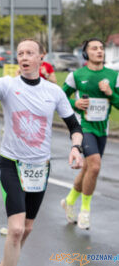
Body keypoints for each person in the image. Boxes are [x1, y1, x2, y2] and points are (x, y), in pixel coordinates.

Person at [0, 38, 84, 266]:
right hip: (12, 164)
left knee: (27, 227)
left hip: (40, 168)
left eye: (30, 53)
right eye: (20, 53)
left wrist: (76, 148)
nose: (24, 57)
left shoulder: (54, 92)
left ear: (42, 57)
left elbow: (75, 126)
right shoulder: (8, 85)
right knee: (17, 228)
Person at [61, 38, 119, 230]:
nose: (99, 51)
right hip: (83, 127)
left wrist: (110, 93)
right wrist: (74, 104)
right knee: (94, 167)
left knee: (88, 169)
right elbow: (60, 98)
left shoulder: (113, 75)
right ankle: (85, 211)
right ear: (86, 53)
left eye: (101, 48)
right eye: (94, 48)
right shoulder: (77, 75)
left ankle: (69, 201)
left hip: (102, 129)